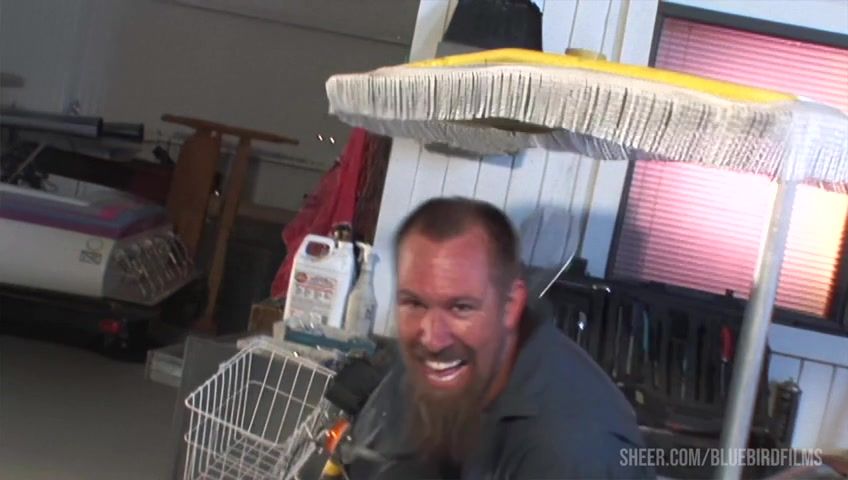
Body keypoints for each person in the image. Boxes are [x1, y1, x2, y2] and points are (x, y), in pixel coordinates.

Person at [345, 197, 653, 479]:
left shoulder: (566, 451)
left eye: (461, 307)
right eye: (415, 303)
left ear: (510, 306)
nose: (432, 338)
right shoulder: (476, 369)